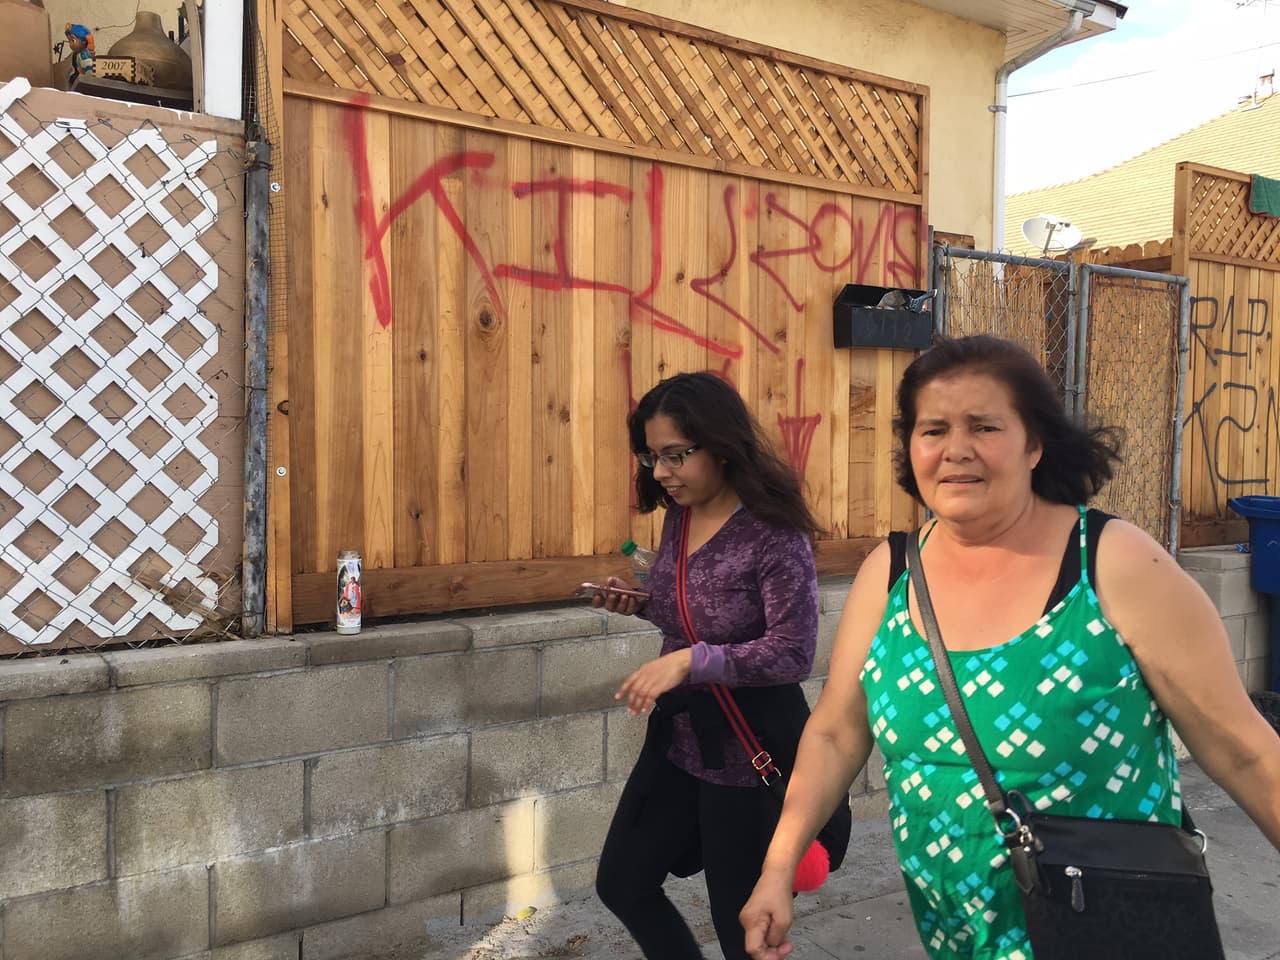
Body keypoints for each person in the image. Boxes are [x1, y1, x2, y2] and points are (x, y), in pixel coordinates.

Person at [740, 334, 1280, 960]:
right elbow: (836, 730)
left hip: (1110, 930)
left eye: (985, 426)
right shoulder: (890, 573)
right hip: (955, 935)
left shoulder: (1112, 562)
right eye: (933, 429)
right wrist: (779, 867)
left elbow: (1243, 751)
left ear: (1034, 444)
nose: (955, 450)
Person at [594, 371, 822, 960]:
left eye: (676, 455)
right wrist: (642, 605)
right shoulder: (681, 514)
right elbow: (692, 614)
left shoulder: (774, 533)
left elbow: (794, 650)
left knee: (737, 926)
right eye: (652, 457)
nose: (662, 472)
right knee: (622, 882)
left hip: (747, 752)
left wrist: (689, 663)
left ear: (720, 444)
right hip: (680, 739)